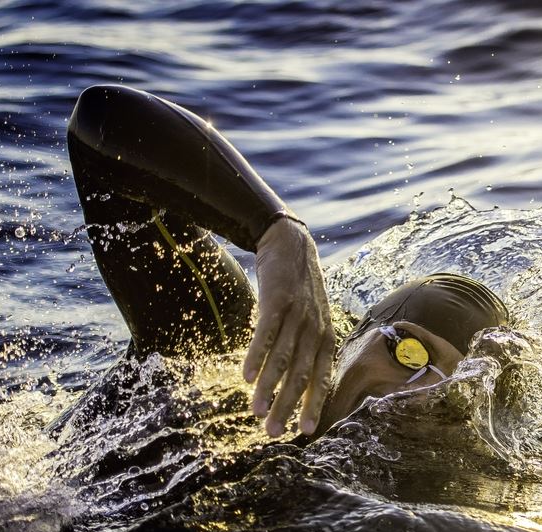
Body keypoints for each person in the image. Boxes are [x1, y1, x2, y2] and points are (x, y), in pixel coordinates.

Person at [67, 84, 508, 439]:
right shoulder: (222, 355)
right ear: (352, 336)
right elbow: (102, 120)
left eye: (452, 393)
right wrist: (276, 230)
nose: (419, 394)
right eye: (411, 354)